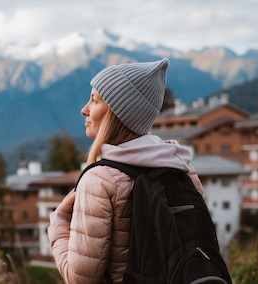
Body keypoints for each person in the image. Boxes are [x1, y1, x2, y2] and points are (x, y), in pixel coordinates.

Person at [47, 58, 203, 284]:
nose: (84, 110)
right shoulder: (182, 168)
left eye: (94, 100)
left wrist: (59, 223)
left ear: (115, 113)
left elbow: (80, 279)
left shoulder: (99, 180)